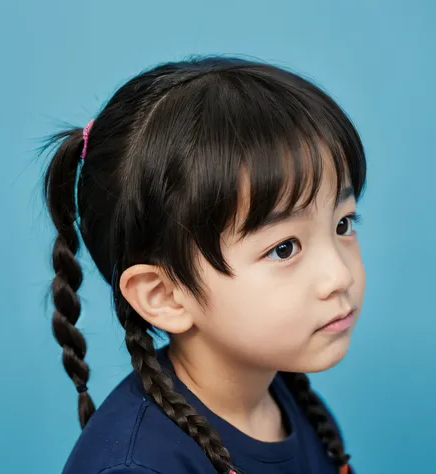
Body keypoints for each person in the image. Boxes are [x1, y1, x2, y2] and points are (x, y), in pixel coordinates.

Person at [43, 56, 366, 474]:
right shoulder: (138, 466)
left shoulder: (292, 401)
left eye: (343, 224)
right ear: (164, 295)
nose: (339, 276)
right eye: (284, 248)